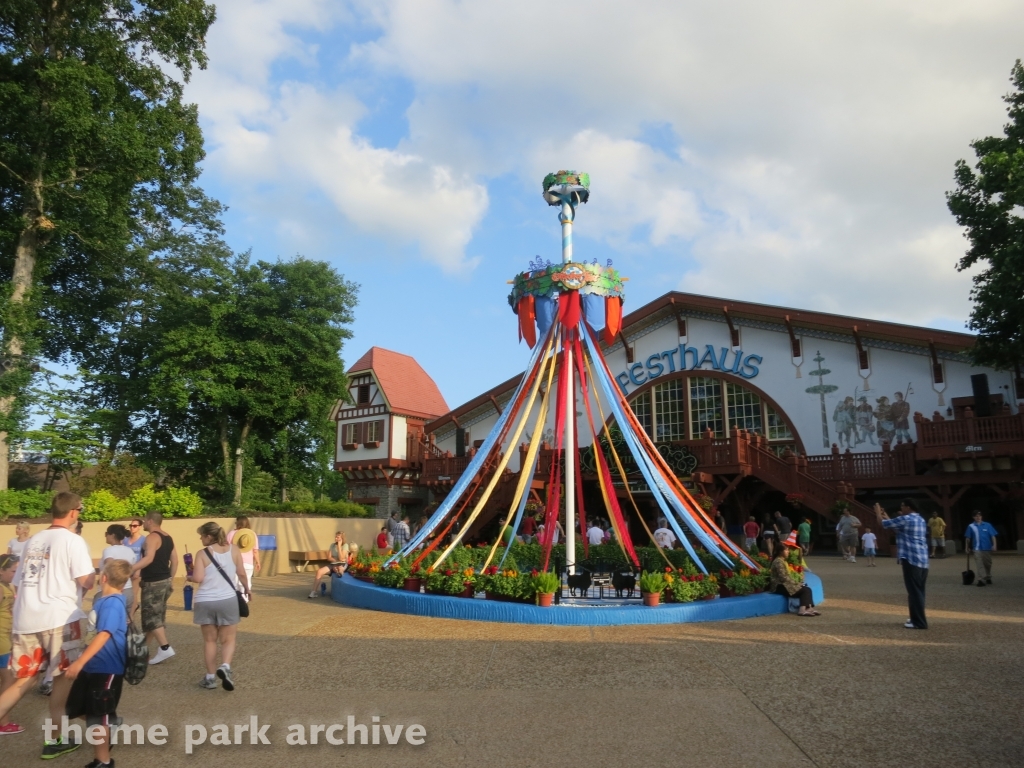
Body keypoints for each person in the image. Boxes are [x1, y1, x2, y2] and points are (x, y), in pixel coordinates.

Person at [0, 492, 96, 758]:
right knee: (62, 679)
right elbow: (86, 580)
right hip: (59, 619)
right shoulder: (73, 541)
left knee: (23, 680)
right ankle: (55, 739)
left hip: (25, 618)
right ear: (75, 512)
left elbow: (17, 582)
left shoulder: (33, 540)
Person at [64, 559, 131, 768]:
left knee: (97, 714)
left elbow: (103, 635)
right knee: (75, 706)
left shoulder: (112, 603)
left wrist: (79, 662)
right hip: (93, 665)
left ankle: (103, 761)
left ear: (104, 578)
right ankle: (109, 723)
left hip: (106, 667)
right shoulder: (104, 600)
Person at [190, 522, 249, 691]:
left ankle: (210, 678)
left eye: (202, 535)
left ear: (209, 536)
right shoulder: (234, 550)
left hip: (205, 600)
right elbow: (241, 573)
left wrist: (189, 576)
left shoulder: (202, 554)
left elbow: (198, 578)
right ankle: (225, 666)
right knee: (228, 639)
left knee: (210, 640)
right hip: (227, 599)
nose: (200, 538)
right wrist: (247, 589)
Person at [130, 510, 178, 665]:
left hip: (153, 583)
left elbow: (148, 558)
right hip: (164, 581)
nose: (143, 523)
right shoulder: (168, 537)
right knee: (155, 618)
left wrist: (130, 569)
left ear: (150, 521)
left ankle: (165, 647)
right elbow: (175, 560)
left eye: (144, 520)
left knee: (151, 618)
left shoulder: (152, 537)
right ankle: (142, 652)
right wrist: (170, 579)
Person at [876, 499, 929, 629]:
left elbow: (883, 524)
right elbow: (896, 528)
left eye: (902, 506)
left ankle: (919, 622)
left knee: (914, 592)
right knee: (919, 591)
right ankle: (915, 618)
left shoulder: (906, 519)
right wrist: (886, 515)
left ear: (908, 507)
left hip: (911, 559)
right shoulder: (920, 519)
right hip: (922, 560)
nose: (901, 509)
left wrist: (877, 512)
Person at [768, 535, 818, 616]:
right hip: (779, 586)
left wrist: (796, 583)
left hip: (784, 584)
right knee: (805, 590)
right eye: (786, 550)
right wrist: (796, 584)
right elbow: (783, 577)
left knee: (806, 588)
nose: (788, 552)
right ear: (781, 552)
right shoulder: (778, 562)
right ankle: (802, 610)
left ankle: (809, 608)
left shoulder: (782, 561)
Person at [0, 554, 22, 735]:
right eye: (13, 571)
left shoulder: (8, 586)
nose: (15, 574)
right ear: (1, 571)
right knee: (8, 680)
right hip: (1, 641)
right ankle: (3, 721)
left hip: (6, 637)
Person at [99, 524, 139, 616]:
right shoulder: (130, 551)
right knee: (125, 622)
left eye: (106, 534)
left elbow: (111, 567)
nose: (105, 536)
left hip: (113, 590)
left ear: (112, 535)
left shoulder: (109, 551)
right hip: (128, 589)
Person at [226, 516, 261, 600]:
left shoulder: (231, 534)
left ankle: (235, 601)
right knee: (247, 581)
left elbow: (226, 548)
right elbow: (255, 551)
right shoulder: (252, 534)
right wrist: (258, 562)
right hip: (248, 563)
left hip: (234, 562)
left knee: (234, 582)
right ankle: (244, 600)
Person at [310, 532, 349, 598]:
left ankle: (339, 572)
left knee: (340, 568)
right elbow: (329, 557)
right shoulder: (332, 545)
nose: (335, 538)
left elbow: (341, 558)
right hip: (333, 564)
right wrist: (335, 561)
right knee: (319, 571)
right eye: (335, 537)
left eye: (338, 537)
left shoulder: (345, 545)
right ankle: (313, 592)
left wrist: (339, 547)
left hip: (343, 564)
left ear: (342, 538)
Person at [965, 510, 998, 587]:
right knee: (979, 564)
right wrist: (967, 547)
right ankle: (981, 579)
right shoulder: (971, 526)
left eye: (979, 516)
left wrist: (994, 545)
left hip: (987, 547)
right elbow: (968, 538)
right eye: (976, 516)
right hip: (976, 548)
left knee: (988, 563)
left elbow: (993, 536)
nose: (978, 517)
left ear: (981, 517)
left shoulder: (988, 525)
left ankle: (988, 576)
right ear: (973, 517)